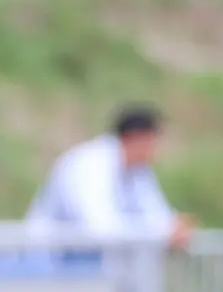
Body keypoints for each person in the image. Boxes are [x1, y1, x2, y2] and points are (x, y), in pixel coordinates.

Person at [25, 104, 194, 252]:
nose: (157, 150)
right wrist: (162, 233)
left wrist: (171, 228)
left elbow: (156, 214)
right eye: (154, 142)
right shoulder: (90, 163)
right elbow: (100, 226)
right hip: (49, 259)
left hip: (88, 263)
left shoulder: (138, 171)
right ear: (136, 138)